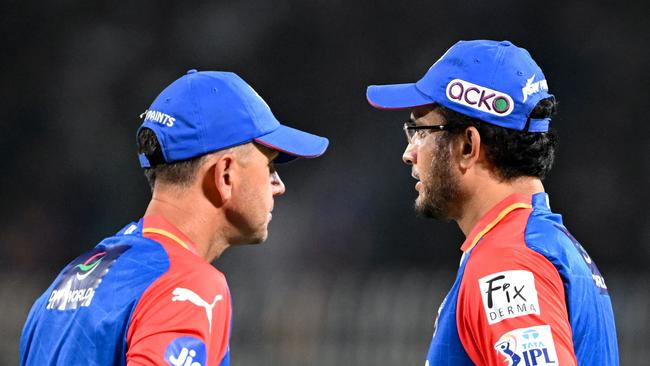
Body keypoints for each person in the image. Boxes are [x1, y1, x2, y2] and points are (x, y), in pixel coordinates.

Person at [20, 69, 328, 365]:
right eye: (270, 167)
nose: (278, 186)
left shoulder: (64, 285)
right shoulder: (188, 287)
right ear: (225, 175)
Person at [366, 40, 618, 365]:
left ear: (468, 146)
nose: (409, 152)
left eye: (421, 130)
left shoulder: (507, 264)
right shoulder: (548, 246)